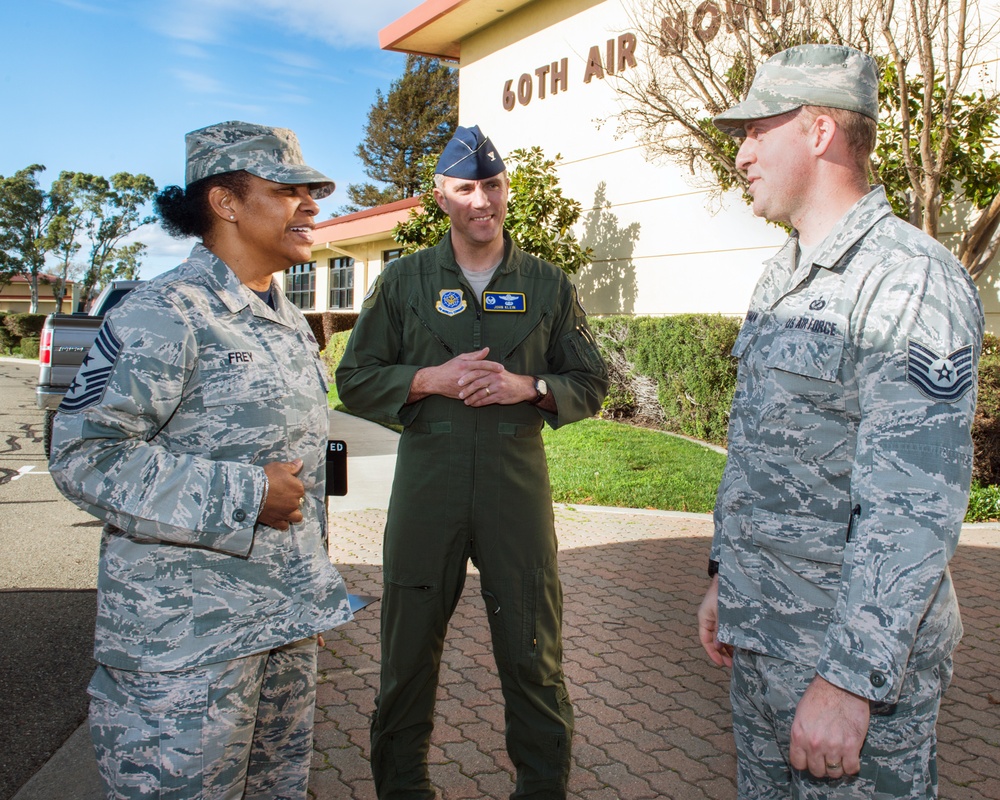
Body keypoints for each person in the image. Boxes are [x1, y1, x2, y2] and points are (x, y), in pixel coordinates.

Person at [696, 44, 984, 798]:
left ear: (819, 132)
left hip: (841, 670)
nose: (742, 154)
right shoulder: (783, 271)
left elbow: (914, 503)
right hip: (763, 640)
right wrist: (727, 576)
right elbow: (757, 447)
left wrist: (851, 681)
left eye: (757, 130)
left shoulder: (909, 279)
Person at [49, 120, 353, 800]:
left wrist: (306, 598)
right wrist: (247, 495)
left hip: (278, 627)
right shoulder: (165, 313)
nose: (310, 205)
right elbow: (84, 456)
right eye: (287, 190)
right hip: (185, 649)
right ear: (225, 202)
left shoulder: (281, 317)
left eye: (312, 192)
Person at [336, 124, 608, 799]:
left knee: (534, 658)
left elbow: (590, 380)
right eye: (465, 188)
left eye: (492, 184)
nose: (481, 200)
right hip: (429, 487)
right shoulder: (404, 281)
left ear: (506, 189)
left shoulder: (546, 284)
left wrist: (531, 387)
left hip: (515, 492)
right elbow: (355, 377)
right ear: (441, 196)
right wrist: (430, 380)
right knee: (405, 660)